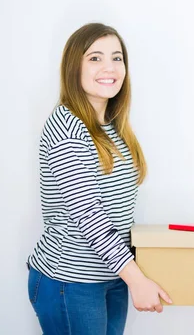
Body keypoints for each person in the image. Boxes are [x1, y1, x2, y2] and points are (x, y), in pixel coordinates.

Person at [27, 23, 171, 334]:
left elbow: (118, 212)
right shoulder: (67, 127)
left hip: (110, 277)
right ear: (73, 67)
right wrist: (137, 279)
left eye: (117, 58)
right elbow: (88, 214)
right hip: (71, 281)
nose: (109, 67)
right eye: (95, 58)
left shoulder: (111, 127)